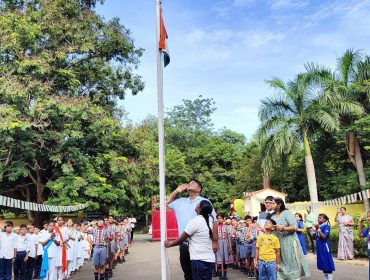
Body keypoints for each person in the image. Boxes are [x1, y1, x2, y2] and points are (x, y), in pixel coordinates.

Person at [166, 179, 216, 280]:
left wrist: (215, 241)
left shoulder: (204, 202)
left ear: (199, 189)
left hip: (199, 244)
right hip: (184, 243)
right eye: (189, 182)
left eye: (193, 183)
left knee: (200, 273)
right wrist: (177, 191)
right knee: (187, 273)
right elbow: (168, 202)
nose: (190, 183)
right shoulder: (181, 201)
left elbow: (214, 221)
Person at [271, 197, 310, 279]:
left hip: (290, 243)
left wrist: (283, 228)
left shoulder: (287, 213)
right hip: (279, 244)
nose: (271, 204)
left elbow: (295, 227)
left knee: (292, 264)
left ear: (279, 204)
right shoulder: (272, 216)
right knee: (281, 266)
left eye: (273, 203)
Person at [313, 214, 335, 280]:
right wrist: (314, 231)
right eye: (318, 217)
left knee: (327, 263)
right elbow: (315, 237)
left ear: (325, 220)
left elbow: (324, 237)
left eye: (320, 218)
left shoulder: (326, 227)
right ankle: (326, 278)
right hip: (320, 248)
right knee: (323, 264)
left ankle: (330, 278)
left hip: (325, 247)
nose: (318, 219)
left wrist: (318, 229)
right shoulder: (319, 227)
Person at [215, 215, 232, 280]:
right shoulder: (215, 227)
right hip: (218, 243)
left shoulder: (226, 227)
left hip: (225, 243)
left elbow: (228, 237)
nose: (219, 219)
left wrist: (230, 246)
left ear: (223, 219)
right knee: (219, 260)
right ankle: (220, 275)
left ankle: (225, 275)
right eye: (218, 218)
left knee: (225, 260)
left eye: (221, 218)